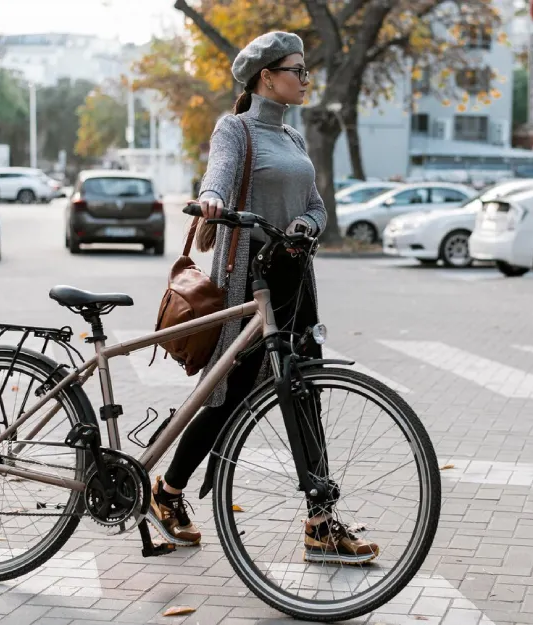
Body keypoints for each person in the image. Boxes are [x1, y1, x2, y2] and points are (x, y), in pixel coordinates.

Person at [147, 31, 379, 564]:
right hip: (248, 279)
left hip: (295, 281)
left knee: (306, 393)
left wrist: (305, 222)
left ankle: (320, 523)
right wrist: (209, 200)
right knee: (227, 398)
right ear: (267, 78)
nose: (305, 78)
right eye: (297, 70)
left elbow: (319, 207)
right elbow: (219, 176)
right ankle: (169, 491)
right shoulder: (237, 128)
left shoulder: (295, 140)